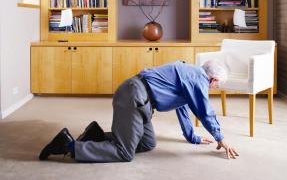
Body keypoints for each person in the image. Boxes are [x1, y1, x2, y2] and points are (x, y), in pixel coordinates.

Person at [39, 60, 239, 162]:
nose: (215, 88)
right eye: (217, 85)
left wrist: (193, 137)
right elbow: (205, 111)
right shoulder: (198, 79)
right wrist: (221, 138)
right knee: (125, 152)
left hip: (141, 101)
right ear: (213, 79)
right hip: (133, 97)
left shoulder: (191, 75)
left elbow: (183, 109)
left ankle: (95, 135)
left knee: (147, 142)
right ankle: (68, 146)